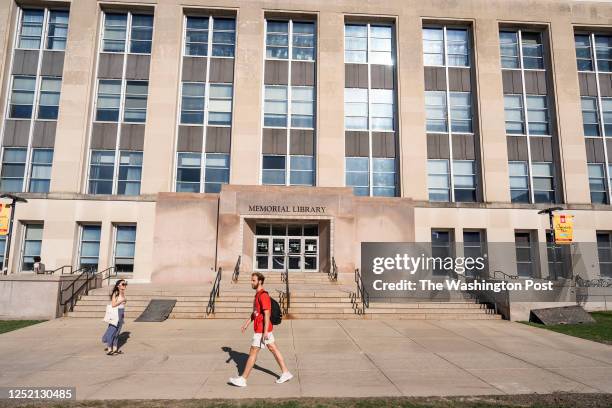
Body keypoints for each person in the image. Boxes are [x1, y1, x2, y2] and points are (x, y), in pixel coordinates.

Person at [229, 272, 293, 387]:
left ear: (260, 281)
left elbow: (267, 314)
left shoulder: (263, 295)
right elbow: (255, 313)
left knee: (253, 352)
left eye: (253, 280)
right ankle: (286, 372)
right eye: (251, 280)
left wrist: (265, 332)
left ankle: (243, 379)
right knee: (273, 349)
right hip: (263, 330)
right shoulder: (257, 295)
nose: (251, 282)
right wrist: (247, 323)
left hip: (262, 330)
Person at [102, 279, 127, 355]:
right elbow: (113, 304)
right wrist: (121, 301)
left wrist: (124, 301)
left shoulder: (122, 292)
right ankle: (109, 349)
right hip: (116, 313)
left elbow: (121, 303)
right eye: (123, 284)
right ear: (118, 285)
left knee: (117, 332)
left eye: (125, 284)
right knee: (112, 331)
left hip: (121, 312)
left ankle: (115, 348)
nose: (125, 285)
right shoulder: (116, 293)